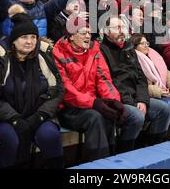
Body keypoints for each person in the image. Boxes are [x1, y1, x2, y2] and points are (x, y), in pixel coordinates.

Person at [0, 13, 65, 169]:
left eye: (33, 37)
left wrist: (40, 116)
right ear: (14, 40)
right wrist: (15, 120)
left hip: (40, 116)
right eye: (24, 37)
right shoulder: (1, 60)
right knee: (8, 139)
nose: (30, 41)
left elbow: (57, 90)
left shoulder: (44, 57)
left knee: (50, 135)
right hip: (8, 119)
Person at [54, 17, 126, 161]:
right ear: (71, 36)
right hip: (68, 107)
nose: (88, 36)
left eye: (89, 33)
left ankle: (111, 160)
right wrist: (94, 103)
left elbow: (104, 79)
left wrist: (114, 102)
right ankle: (98, 164)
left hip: (90, 103)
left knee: (109, 115)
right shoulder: (58, 54)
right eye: (83, 33)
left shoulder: (94, 51)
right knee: (95, 117)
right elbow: (66, 90)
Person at [100, 16, 170, 150]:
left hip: (135, 97)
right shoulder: (102, 51)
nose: (122, 31)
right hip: (118, 100)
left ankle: (151, 148)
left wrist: (142, 100)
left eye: (124, 28)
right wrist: (131, 102)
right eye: (117, 28)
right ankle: (125, 151)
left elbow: (141, 78)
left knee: (165, 109)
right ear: (106, 32)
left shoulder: (129, 48)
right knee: (137, 116)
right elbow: (111, 82)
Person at [131, 33, 170, 138]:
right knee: (168, 105)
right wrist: (157, 91)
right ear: (134, 46)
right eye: (142, 44)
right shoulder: (133, 59)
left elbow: (166, 74)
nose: (146, 46)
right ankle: (155, 139)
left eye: (146, 43)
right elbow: (136, 83)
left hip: (160, 91)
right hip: (145, 94)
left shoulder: (153, 55)